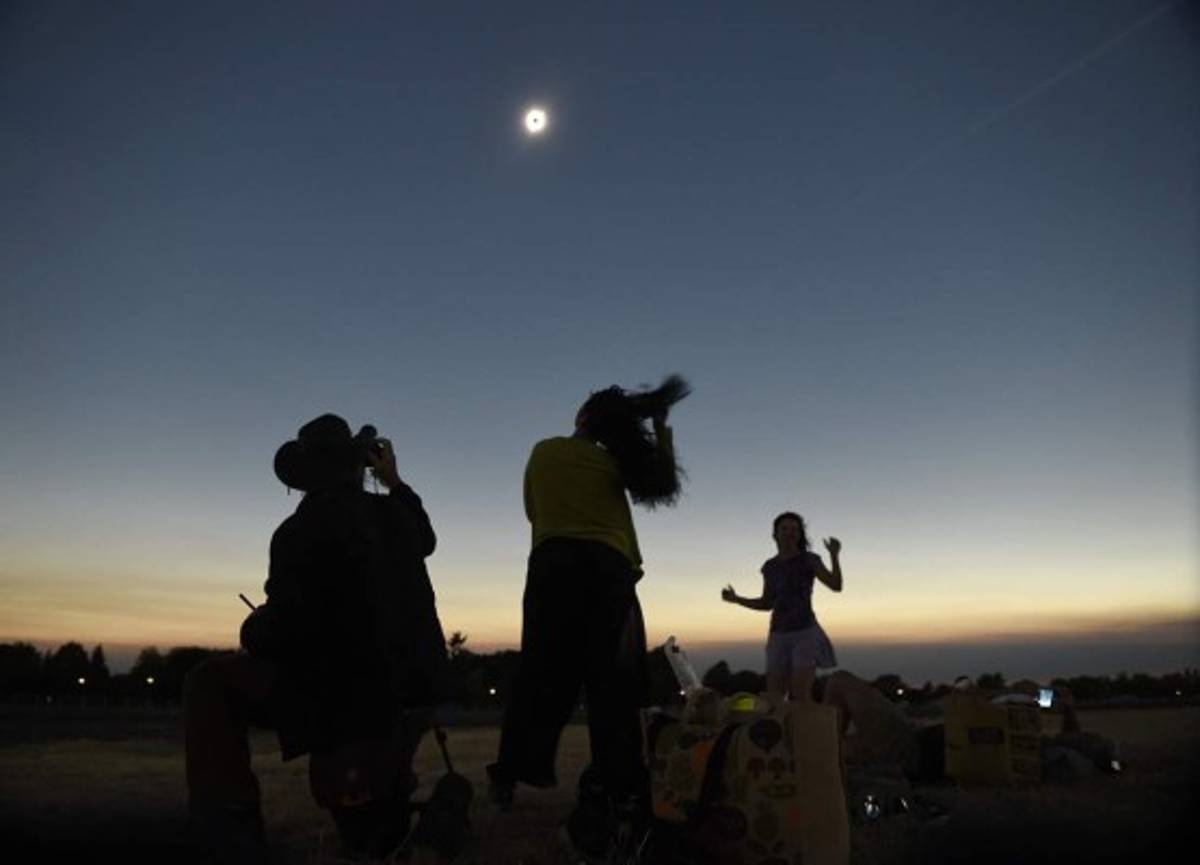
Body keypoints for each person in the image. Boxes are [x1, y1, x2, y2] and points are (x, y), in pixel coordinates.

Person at [183, 413, 448, 864]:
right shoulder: (399, 516)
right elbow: (426, 537)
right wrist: (395, 481)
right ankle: (385, 803)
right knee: (372, 828)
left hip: (344, 695)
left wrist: (256, 626)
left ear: (305, 478)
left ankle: (233, 837)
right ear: (358, 465)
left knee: (208, 683)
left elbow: (288, 633)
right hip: (416, 689)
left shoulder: (297, 531)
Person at [487, 374, 691, 858]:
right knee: (614, 684)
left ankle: (512, 772)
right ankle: (621, 786)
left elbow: (532, 510)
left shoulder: (545, 451)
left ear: (582, 418)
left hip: (553, 567)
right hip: (609, 572)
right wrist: (660, 428)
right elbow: (661, 483)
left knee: (541, 673)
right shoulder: (615, 463)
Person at [721, 512, 842, 701]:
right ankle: (779, 730)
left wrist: (834, 556)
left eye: (794, 529)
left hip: (805, 632)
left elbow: (836, 585)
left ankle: (806, 730)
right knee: (774, 696)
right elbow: (767, 603)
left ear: (800, 534)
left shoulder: (810, 559)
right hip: (778, 634)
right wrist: (737, 599)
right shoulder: (770, 567)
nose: (789, 533)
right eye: (784, 528)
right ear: (775, 534)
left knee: (800, 695)